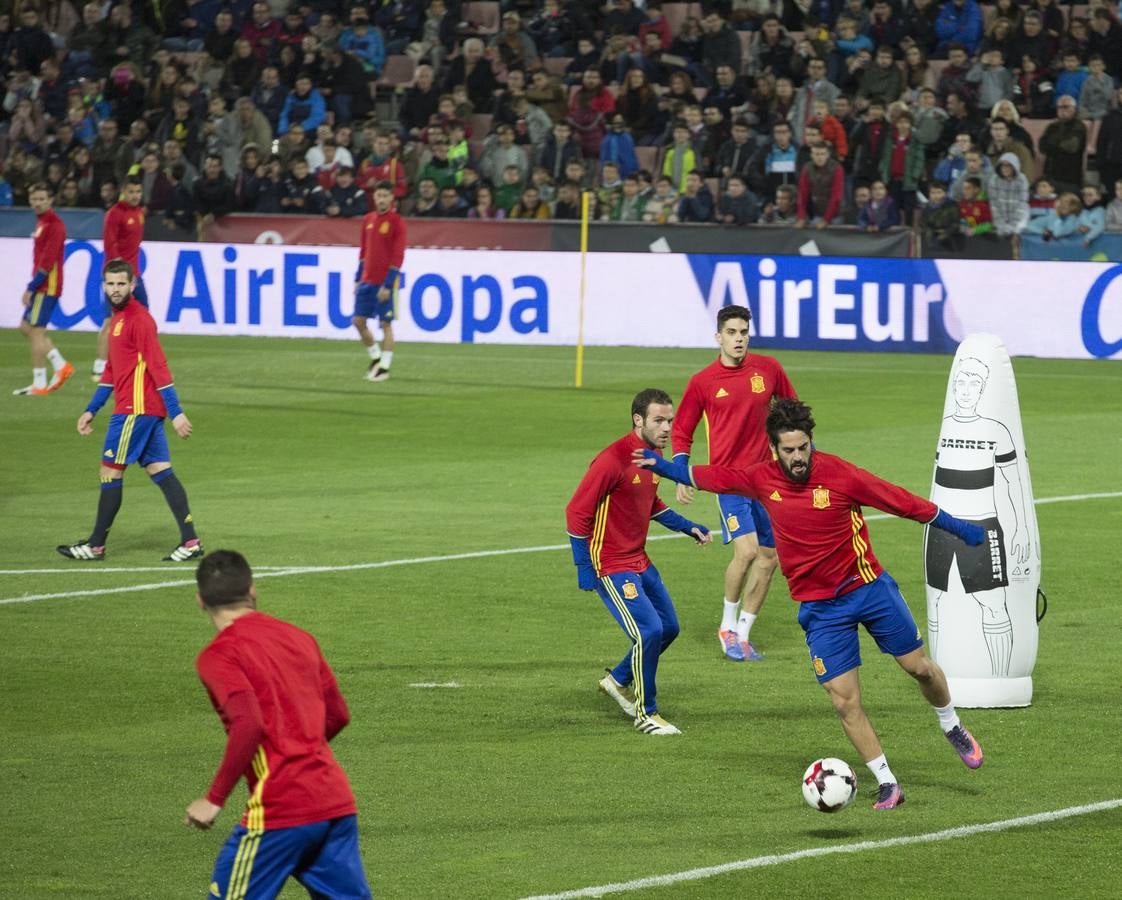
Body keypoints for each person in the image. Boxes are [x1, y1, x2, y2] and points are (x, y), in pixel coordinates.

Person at [636, 399, 987, 808]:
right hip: (821, 610)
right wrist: (662, 466)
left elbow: (902, 502)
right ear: (774, 451)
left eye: (804, 447)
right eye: (789, 450)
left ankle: (952, 725)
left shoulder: (840, 474)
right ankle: (888, 782)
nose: (798, 457)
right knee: (843, 700)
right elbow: (714, 477)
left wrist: (959, 528)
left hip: (868, 588)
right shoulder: (761, 479)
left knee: (919, 668)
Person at [187, 549, 372, 897]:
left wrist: (214, 799)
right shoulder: (298, 637)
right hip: (333, 800)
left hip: (281, 808)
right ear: (252, 591)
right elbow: (338, 714)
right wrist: (301, 747)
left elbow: (248, 724)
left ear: (200, 601)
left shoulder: (219, 655)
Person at [566, 388, 712, 735]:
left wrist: (687, 526)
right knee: (648, 631)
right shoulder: (611, 460)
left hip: (639, 560)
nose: (667, 428)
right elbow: (576, 513)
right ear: (638, 420)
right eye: (659, 420)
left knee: (669, 628)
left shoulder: (653, 457)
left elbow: (649, 503)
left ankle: (617, 681)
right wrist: (584, 567)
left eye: (670, 421)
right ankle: (646, 712)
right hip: (611, 564)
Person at [671, 306, 797, 663]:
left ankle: (743, 633)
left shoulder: (768, 369)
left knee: (770, 558)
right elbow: (682, 430)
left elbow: (792, 409)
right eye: (731, 332)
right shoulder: (703, 382)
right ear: (718, 337)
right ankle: (726, 626)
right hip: (729, 481)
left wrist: (801, 455)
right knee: (746, 552)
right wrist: (682, 474)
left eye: (743, 331)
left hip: (768, 479)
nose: (738, 338)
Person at [58, 259, 202, 562]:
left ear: (132, 285)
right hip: (143, 411)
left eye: (121, 283)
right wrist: (92, 408)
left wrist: (176, 411)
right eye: (110, 284)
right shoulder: (117, 320)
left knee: (110, 471)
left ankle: (96, 545)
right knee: (160, 470)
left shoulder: (139, 319)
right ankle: (191, 543)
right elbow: (112, 370)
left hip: (135, 411)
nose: (115, 289)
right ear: (104, 285)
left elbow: (158, 366)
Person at [14, 183, 74, 397]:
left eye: (42, 199)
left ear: (50, 201)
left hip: (46, 286)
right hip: (42, 285)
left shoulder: (55, 225)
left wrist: (31, 287)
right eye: (34, 199)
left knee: (36, 332)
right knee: (25, 327)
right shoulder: (42, 222)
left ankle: (39, 383)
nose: (37, 203)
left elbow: (47, 262)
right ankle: (61, 365)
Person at [93, 176, 147, 382]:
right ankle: (100, 366)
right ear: (123, 191)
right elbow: (110, 245)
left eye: (138, 192)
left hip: (135, 275)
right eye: (131, 192)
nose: (135, 196)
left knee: (142, 317)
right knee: (111, 320)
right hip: (117, 275)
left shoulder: (139, 213)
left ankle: (131, 360)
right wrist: (116, 275)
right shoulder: (115, 214)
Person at [354, 182, 405, 383]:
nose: (382, 199)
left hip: (384, 282)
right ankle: (376, 358)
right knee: (358, 321)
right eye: (379, 195)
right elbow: (363, 252)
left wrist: (388, 284)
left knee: (385, 324)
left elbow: (398, 255)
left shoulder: (396, 222)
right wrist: (358, 278)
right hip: (366, 281)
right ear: (374, 198)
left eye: (385, 195)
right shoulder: (368, 219)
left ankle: (385, 367)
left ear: (392, 198)